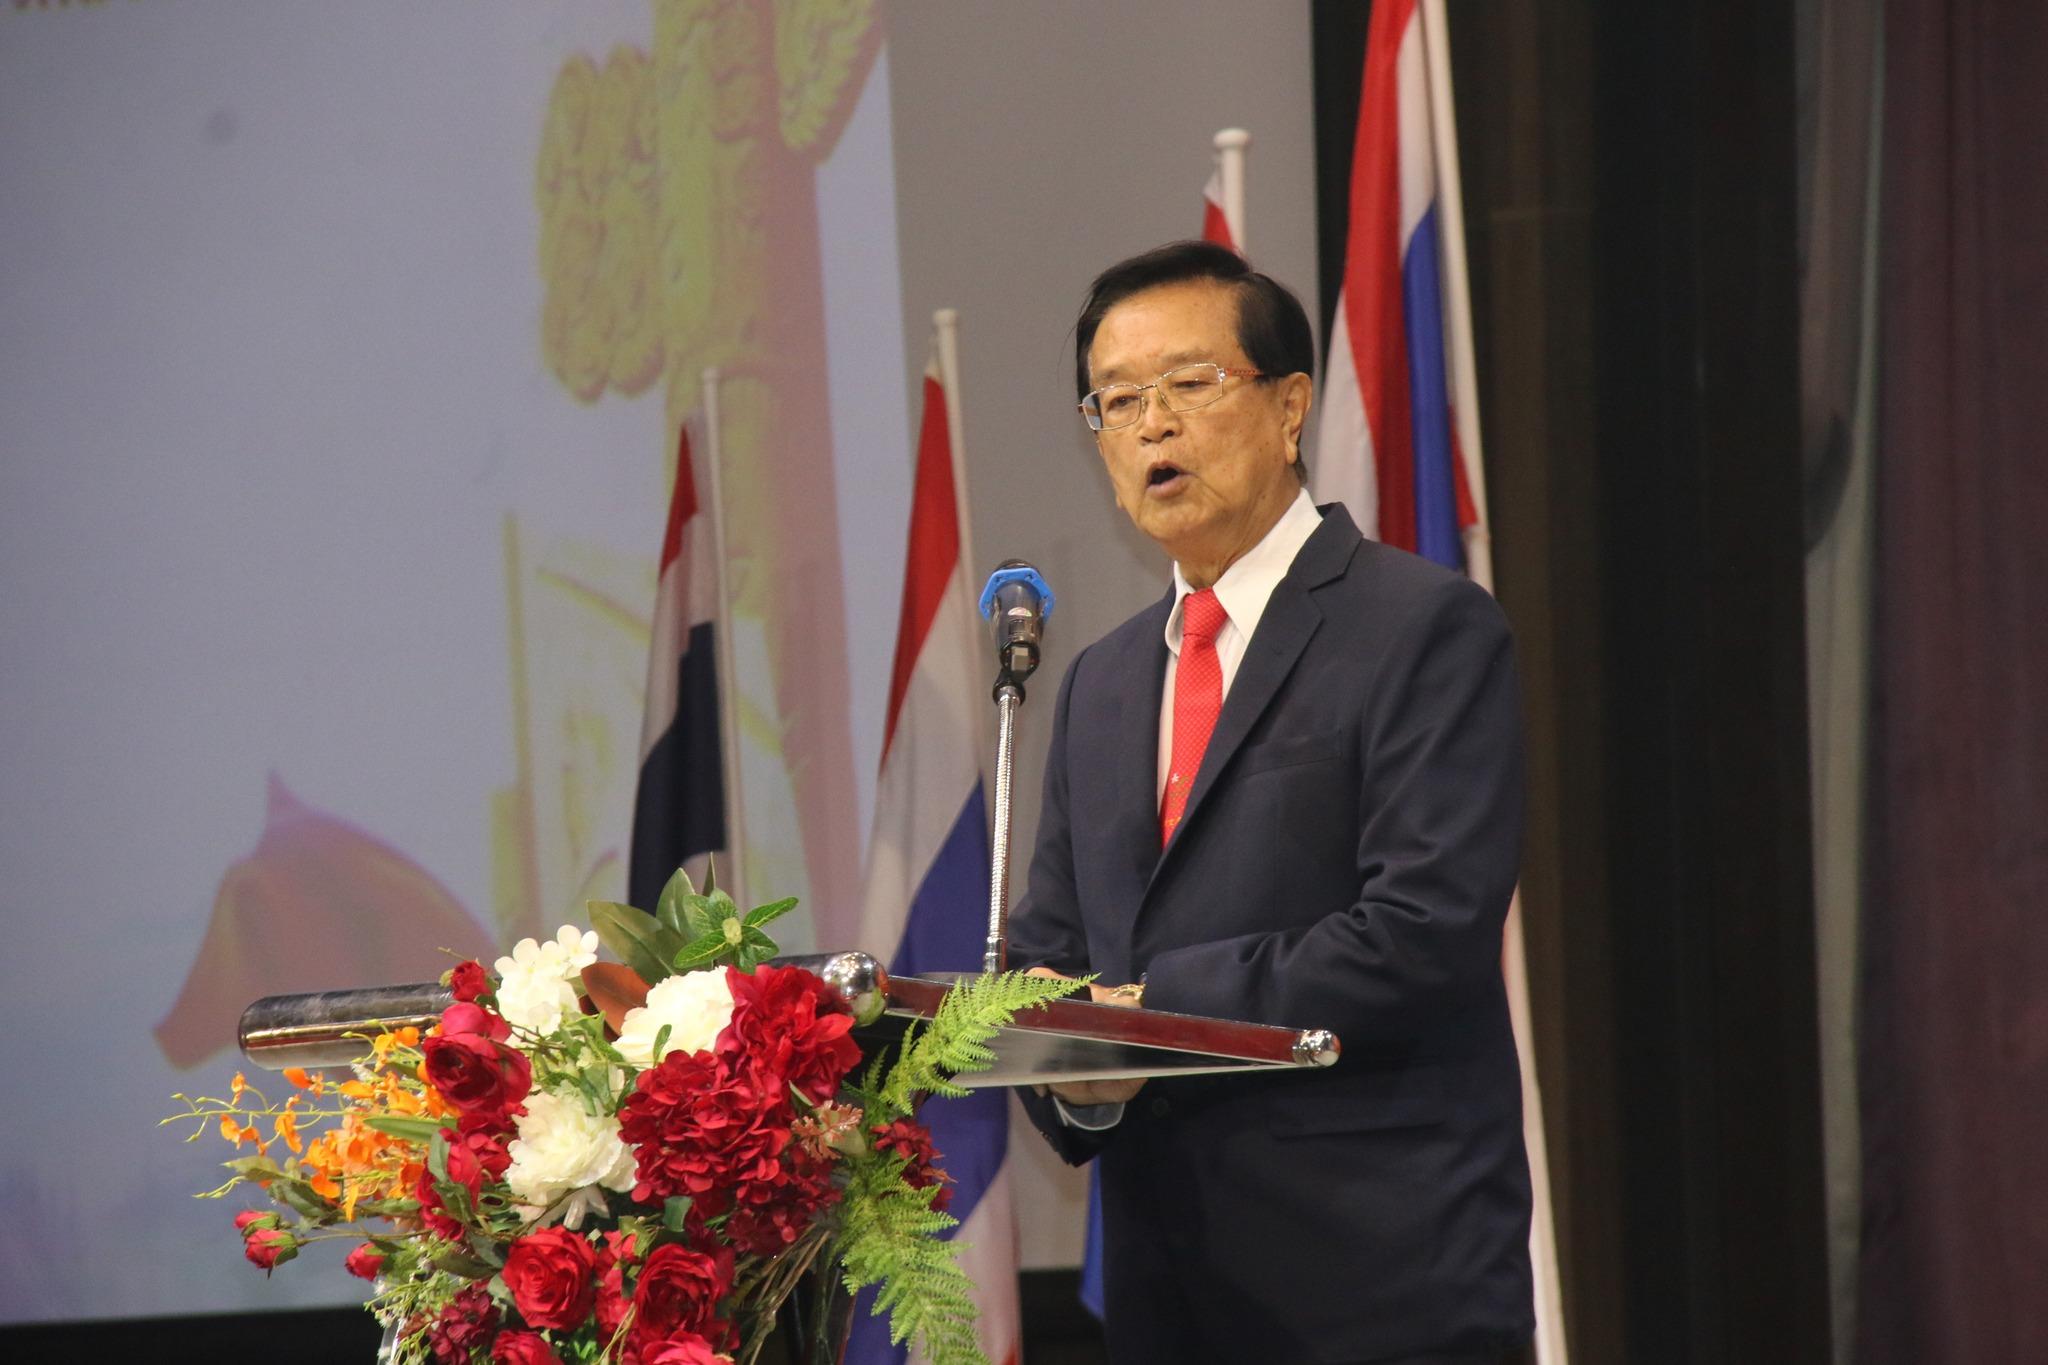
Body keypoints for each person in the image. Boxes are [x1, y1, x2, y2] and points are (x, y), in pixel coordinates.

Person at [1008, 240, 1533, 1365]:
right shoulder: (1100, 682)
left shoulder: (1420, 626)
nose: (1152, 424)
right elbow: (1054, 954)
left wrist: (1143, 1009)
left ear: (1290, 407)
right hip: (1166, 1299)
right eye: (1116, 400)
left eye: (1188, 383)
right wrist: (1074, 1074)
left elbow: (1423, 932)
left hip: (1381, 1291)